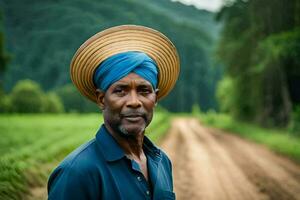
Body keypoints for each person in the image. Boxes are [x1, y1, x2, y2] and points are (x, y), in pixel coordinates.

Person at [47, 25, 180, 200]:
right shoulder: (77, 172)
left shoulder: (162, 161)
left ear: (154, 98)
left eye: (143, 90)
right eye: (120, 90)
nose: (134, 102)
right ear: (102, 99)